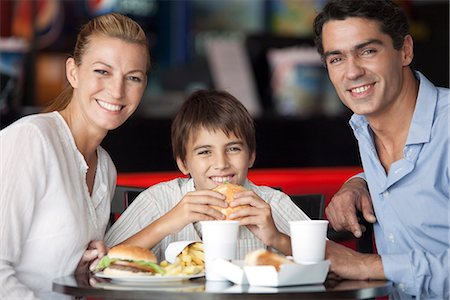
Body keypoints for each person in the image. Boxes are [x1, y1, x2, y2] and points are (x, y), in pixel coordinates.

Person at [0, 13, 150, 299]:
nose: (117, 91)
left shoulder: (105, 167)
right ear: (73, 72)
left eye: (133, 77)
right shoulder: (31, 140)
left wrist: (81, 268)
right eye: (102, 72)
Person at [313, 0, 449, 299]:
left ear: (405, 51)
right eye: (336, 59)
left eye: (367, 51)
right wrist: (358, 183)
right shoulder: (365, 128)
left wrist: (369, 266)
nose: (352, 72)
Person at [105, 89, 310, 260]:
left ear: (251, 156)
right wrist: (166, 224)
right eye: (205, 152)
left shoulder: (271, 203)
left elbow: (327, 260)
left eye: (233, 149)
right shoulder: (159, 201)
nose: (221, 164)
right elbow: (102, 261)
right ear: (183, 163)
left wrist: (277, 238)